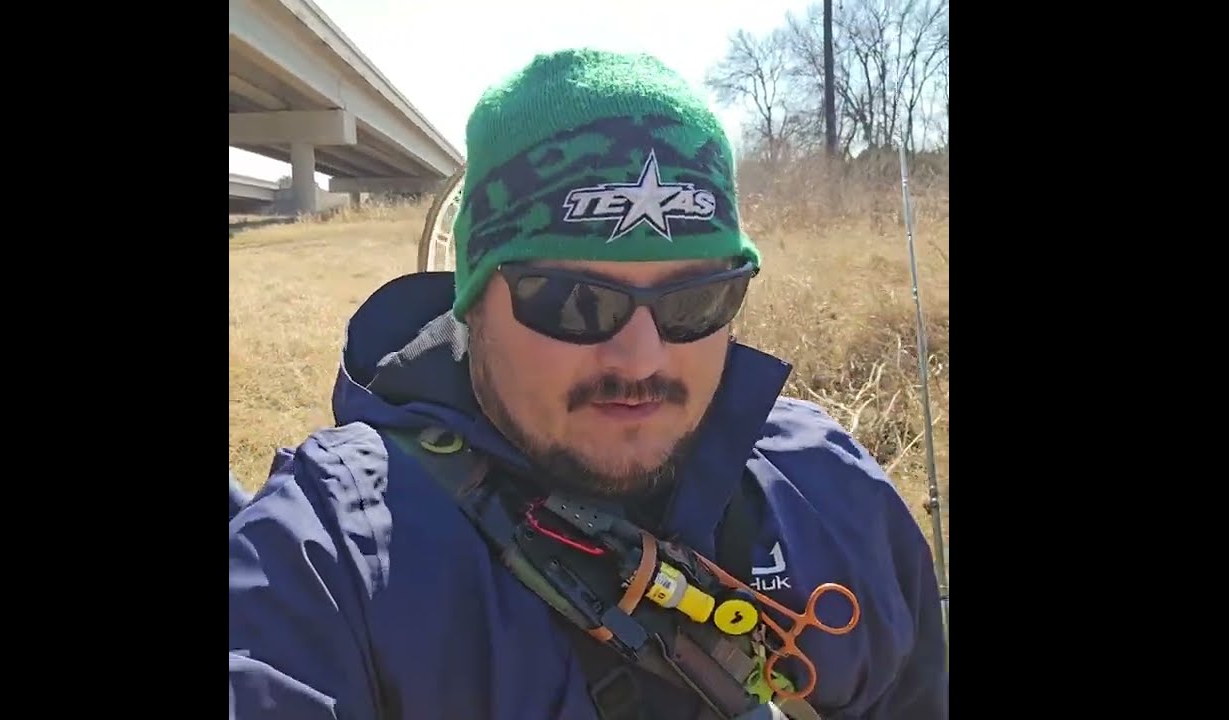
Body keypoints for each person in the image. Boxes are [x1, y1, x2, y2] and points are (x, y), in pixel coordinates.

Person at [229, 48, 948, 720]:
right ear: (473, 302)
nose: (639, 360)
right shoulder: (335, 556)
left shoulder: (834, 493)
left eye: (695, 301)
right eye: (573, 301)